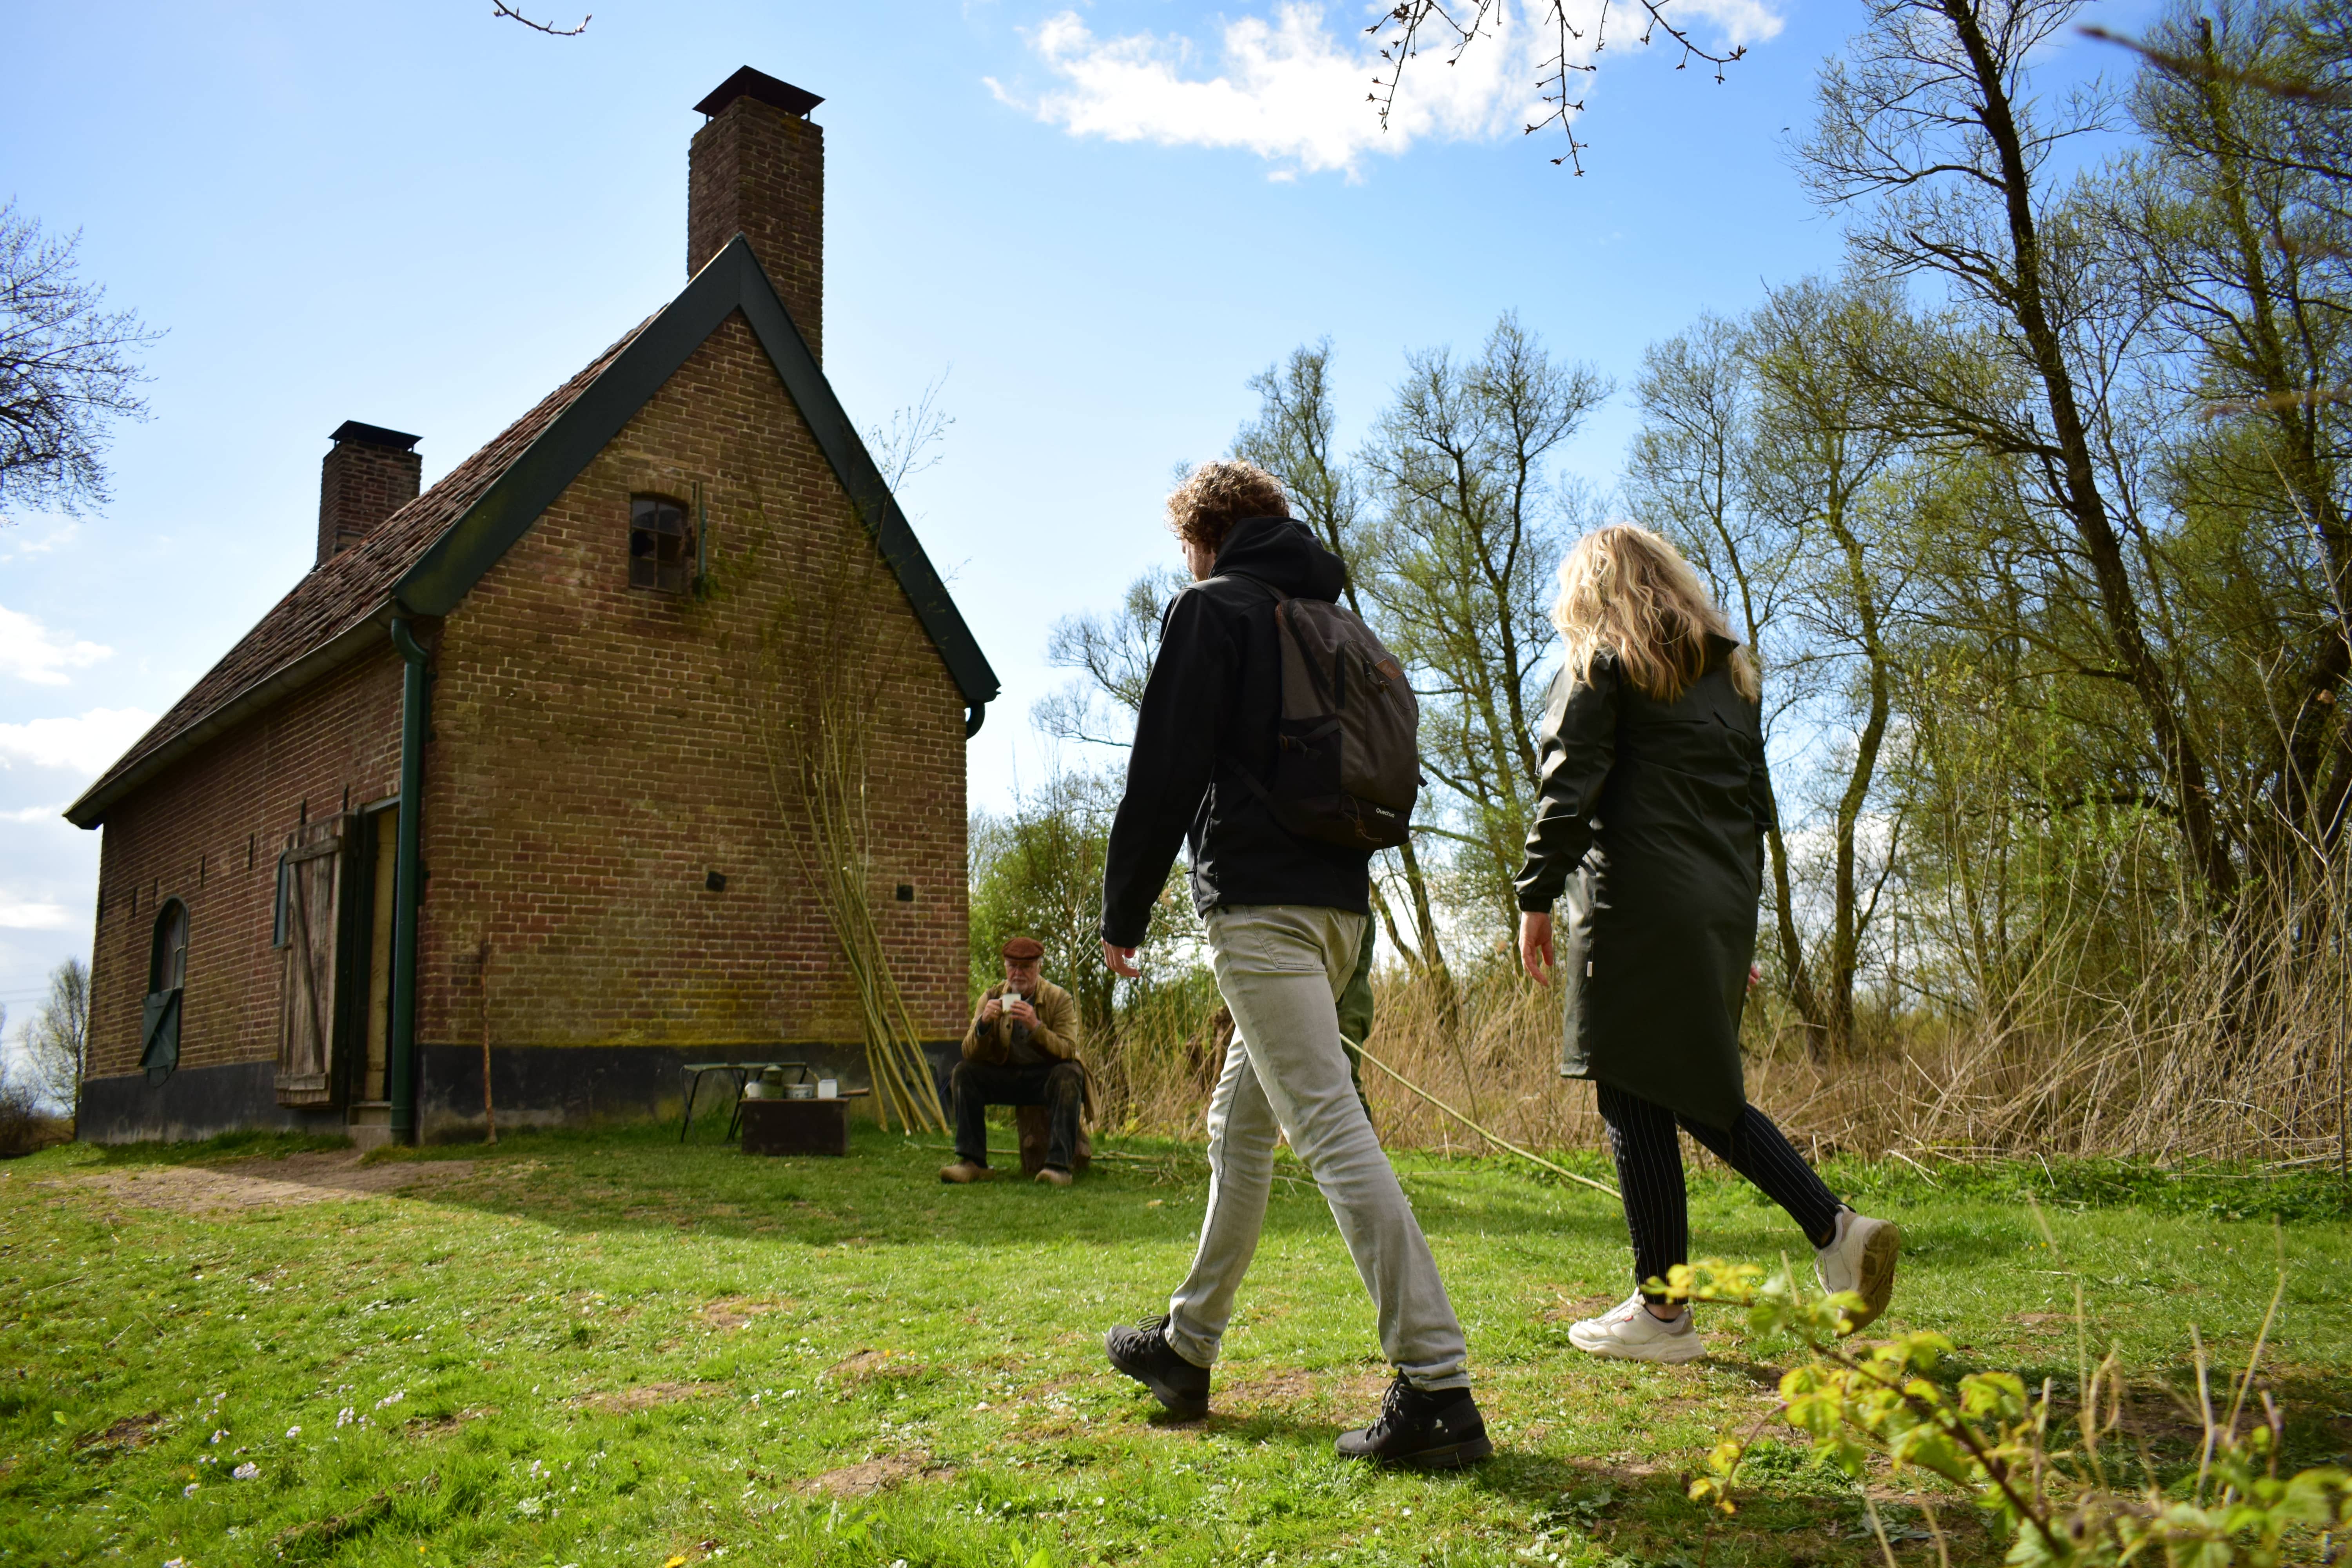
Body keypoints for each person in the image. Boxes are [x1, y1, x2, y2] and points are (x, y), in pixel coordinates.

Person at [1096, 460, 1489, 1470]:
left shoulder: (1214, 607)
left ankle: (1437, 1384)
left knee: (1327, 1127)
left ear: (1206, 534)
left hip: (1261, 907)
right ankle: (1187, 1347)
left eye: (1186, 544)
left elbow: (1165, 765)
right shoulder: (1336, 621)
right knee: (1241, 1119)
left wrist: (1124, 908)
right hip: (1342, 909)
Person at [1516, 523, 1900, 1364]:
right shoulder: (1733, 676)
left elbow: (1569, 782)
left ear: (1594, 587)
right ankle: (1824, 1234)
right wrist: (1734, 924)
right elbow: (1753, 811)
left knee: (1630, 1081)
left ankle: (1668, 1311)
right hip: (1719, 902)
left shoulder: (1603, 661)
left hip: (1634, 901)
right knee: (1677, 1083)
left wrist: (1536, 894)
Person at [939, 937, 1088, 1187]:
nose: (1018, 974)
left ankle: (1058, 1167)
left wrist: (1036, 1027)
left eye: (1026, 967)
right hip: (1007, 1077)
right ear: (1005, 966)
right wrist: (984, 1026)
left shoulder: (1059, 999)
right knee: (964, 1072)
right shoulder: (992, 996)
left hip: (1045, 1078)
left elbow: (1068, 1050)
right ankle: (972, 1162)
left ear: (1039, 967)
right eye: (1012, 966)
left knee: (1070, 1074)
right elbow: (968, 1052)